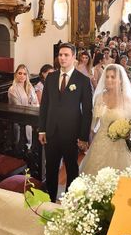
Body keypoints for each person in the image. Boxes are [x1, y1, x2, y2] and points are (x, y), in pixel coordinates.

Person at [39, 43, 93, 202]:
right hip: (51, 131)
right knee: (51, 168)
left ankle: (70, 201)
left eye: (66, 55)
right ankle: (49, 200)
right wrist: (42, 129)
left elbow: (87, 111)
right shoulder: (51, 77)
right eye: (60, 55)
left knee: (71, 168)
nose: (62, 58)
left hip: (72, 133)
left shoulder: (83, 80)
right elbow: (44, 106)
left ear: (73, 57)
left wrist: (83, 137)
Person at [79, 64, 131, 178]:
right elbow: (93, 122)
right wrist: (85, 139)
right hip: (101, 141)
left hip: (122, 143)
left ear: (120, 80)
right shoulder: (99, 97)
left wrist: (125, 131)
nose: (109, 80)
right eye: (107, 77)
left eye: (113, 77)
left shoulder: (128, 100)